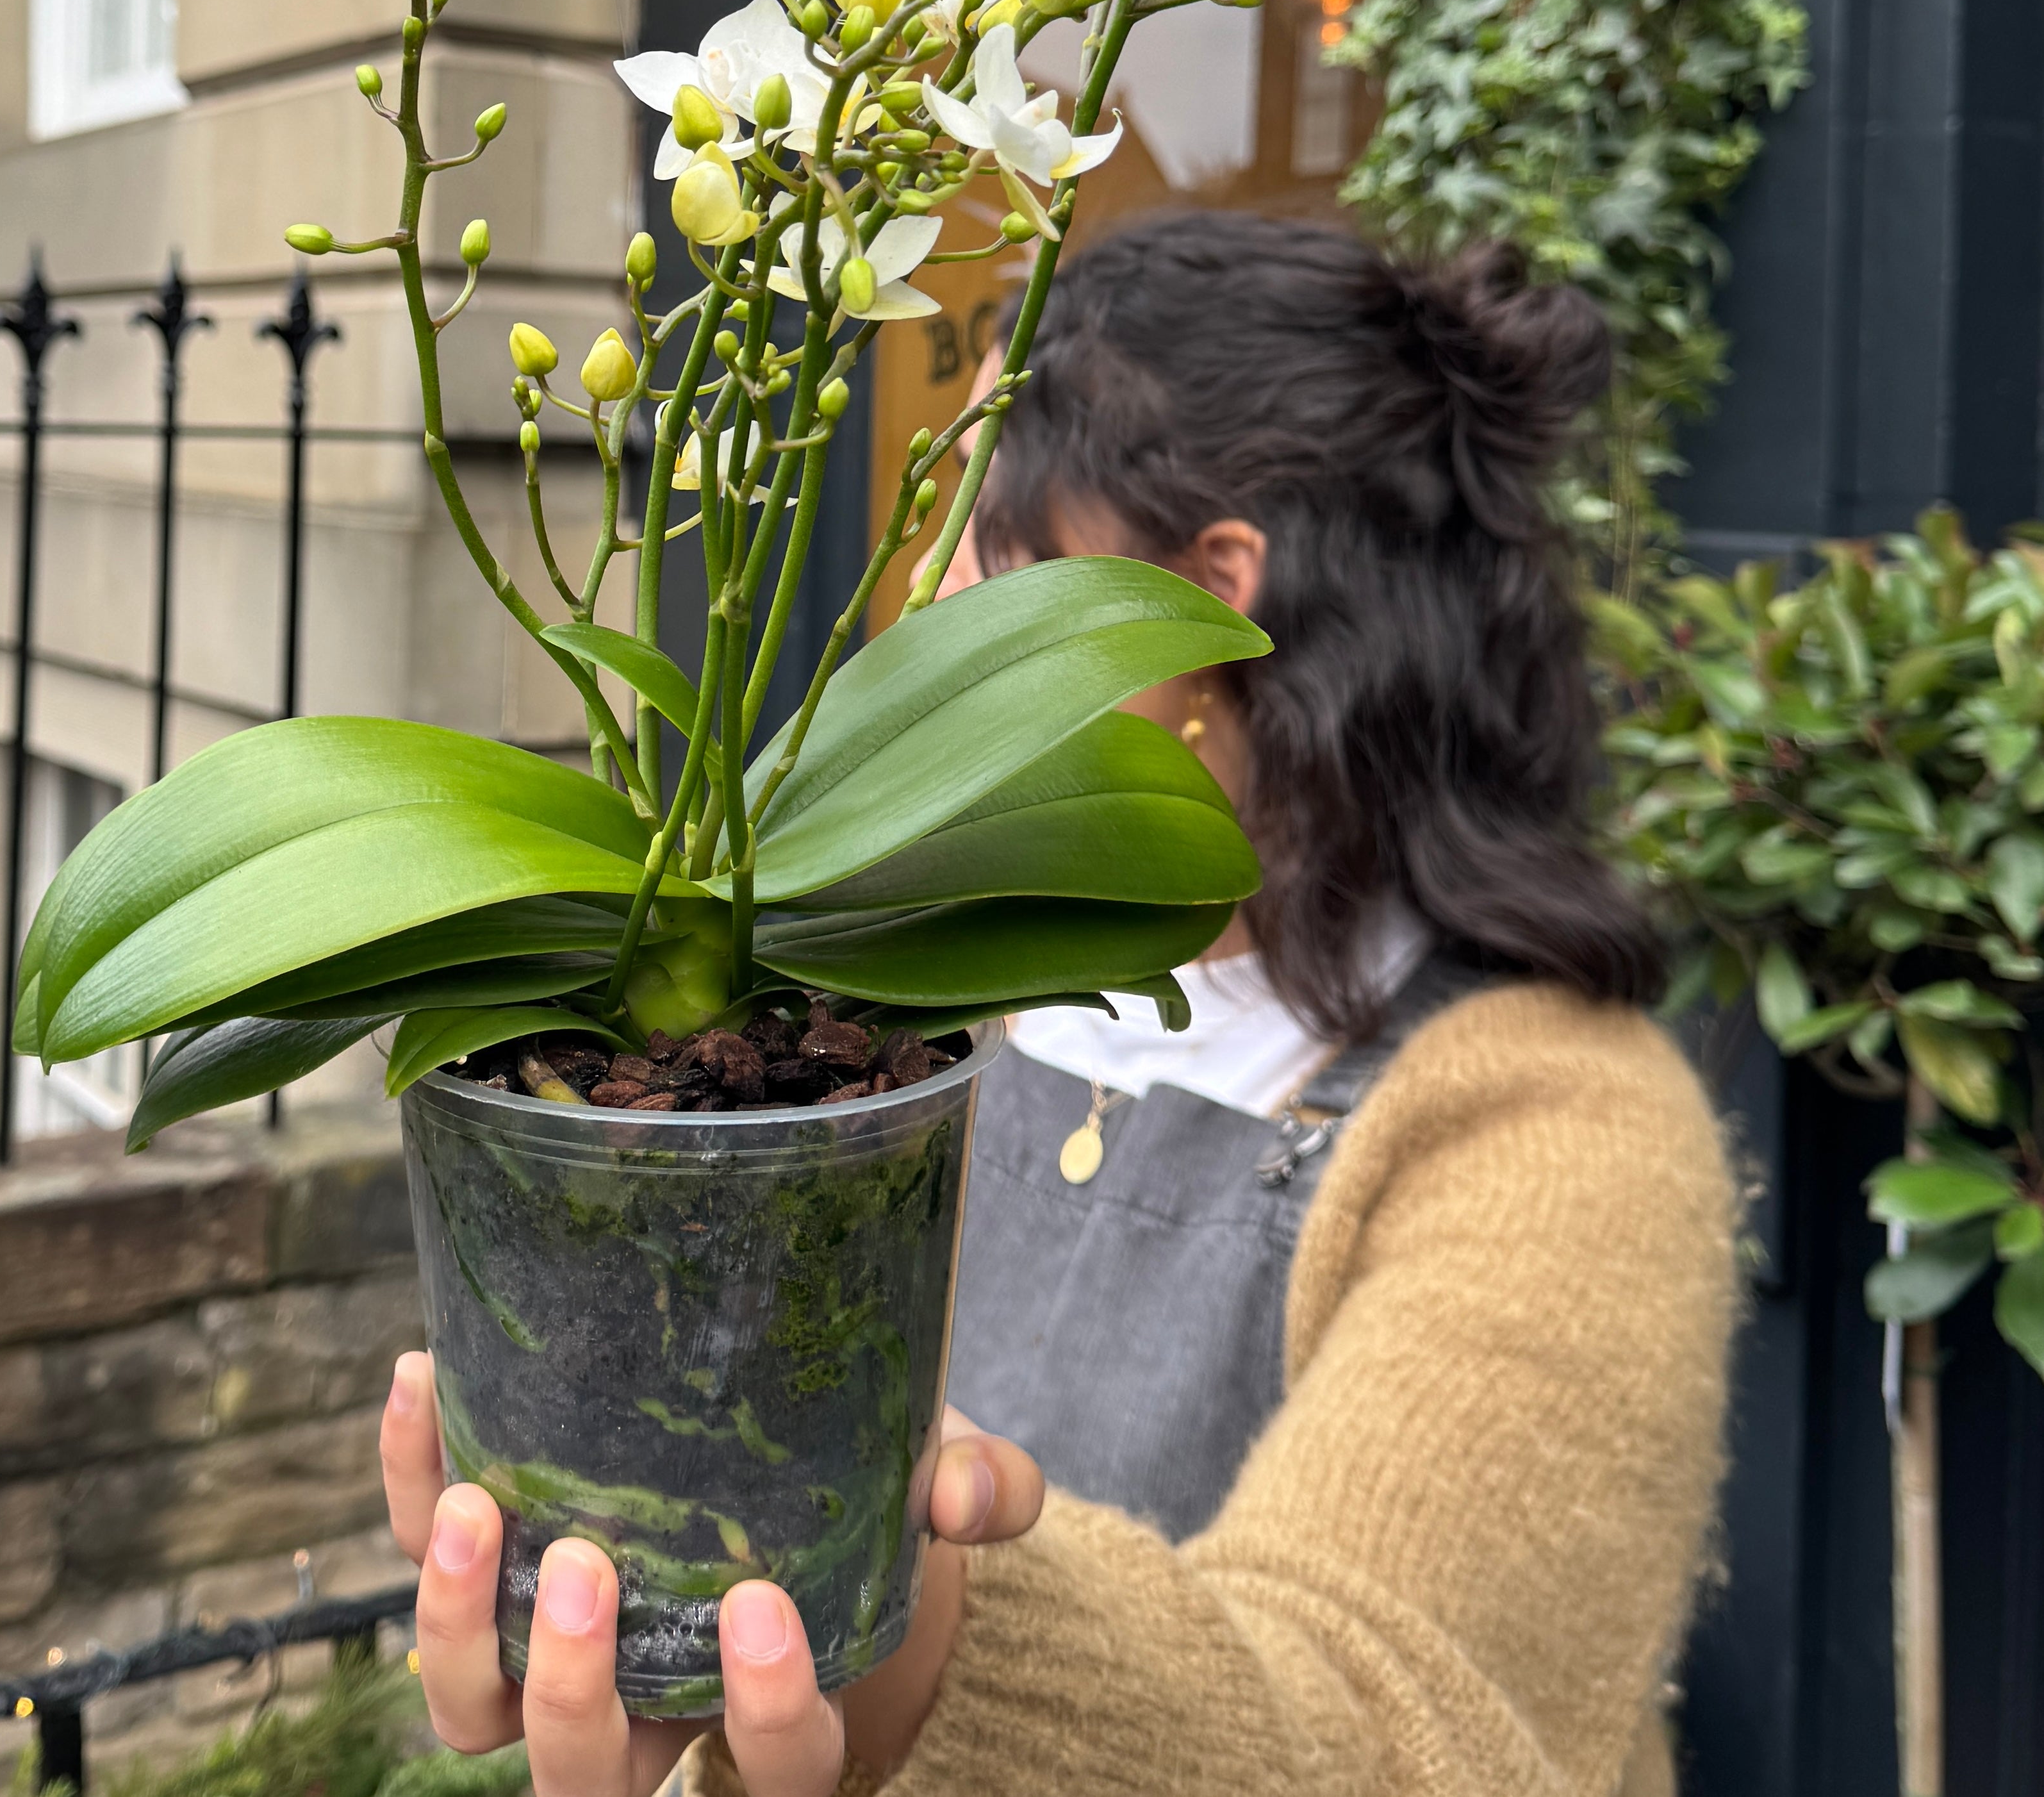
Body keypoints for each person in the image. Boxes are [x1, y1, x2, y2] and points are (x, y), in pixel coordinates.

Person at [380, 213, 1739, 1796]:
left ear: (1205, 608)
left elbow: (1390, 1732)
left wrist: (889, 1602)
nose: (927, 595)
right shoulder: (899, 995)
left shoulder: (1554, 1134)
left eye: (992, 540)